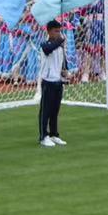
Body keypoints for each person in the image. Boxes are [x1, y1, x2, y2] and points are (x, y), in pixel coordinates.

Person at [36, 19, 66, 147]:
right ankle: (43, 135)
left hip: (58, 81)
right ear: (49, 32)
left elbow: (62, 60)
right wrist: (60, 41)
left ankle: (54, 134)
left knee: (55, 110)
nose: (58, 34)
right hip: (48, 81)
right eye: (56, 31)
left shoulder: (59, 47)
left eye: (59, 31)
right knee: (45, 110)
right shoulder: (45, 45)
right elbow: (49, 49)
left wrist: (65, 70)